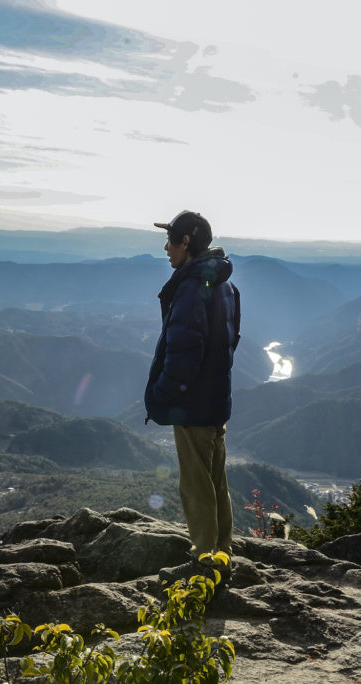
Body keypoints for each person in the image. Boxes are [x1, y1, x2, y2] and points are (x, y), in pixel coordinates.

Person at [145, 210, 240, 563]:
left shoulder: (191, 288)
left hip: (195, 405)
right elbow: (232, 340)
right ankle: (222, 554)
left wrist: (163, 394)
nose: (165, 247)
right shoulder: (224, 283)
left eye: (171, 240)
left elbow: (184, 355)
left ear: (186, 243)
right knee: (216, 482)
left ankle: (204, 562)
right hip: (216, 399)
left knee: (196, 487)